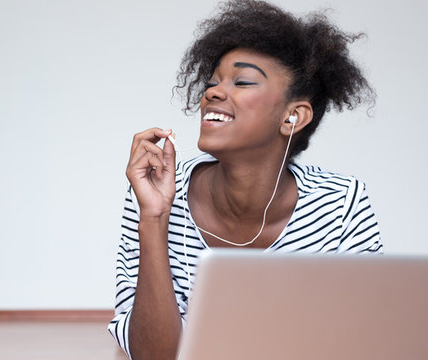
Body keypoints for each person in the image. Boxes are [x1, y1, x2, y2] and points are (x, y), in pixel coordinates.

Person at [108, 1, 382, 359]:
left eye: (242, 81)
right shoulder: (155, 193)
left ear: (292, 117)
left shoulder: (341, 202)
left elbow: (368, 340)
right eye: (213, 81)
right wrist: (155, 217)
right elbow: (153, 356)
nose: (213, 92)